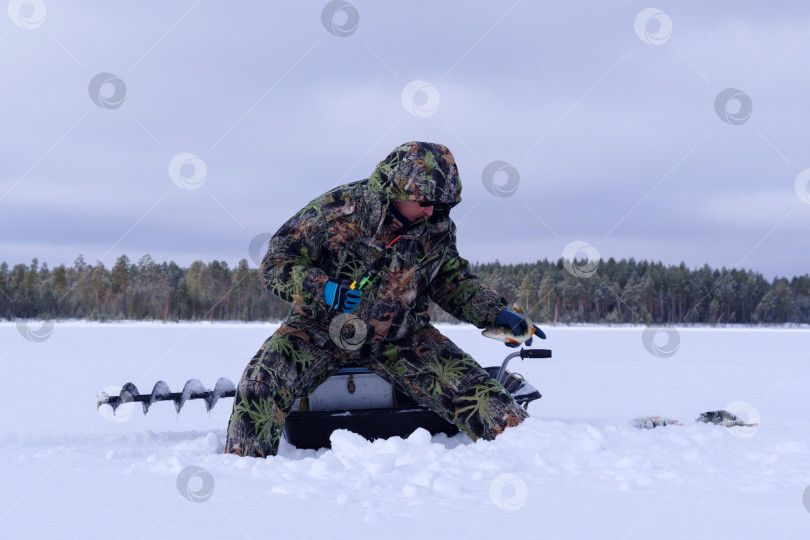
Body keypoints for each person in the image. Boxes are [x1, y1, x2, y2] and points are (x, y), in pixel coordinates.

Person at [225, 141, 543, 457]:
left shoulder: (437, 227)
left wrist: (497, 313)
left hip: (401, 337)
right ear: (399, 190)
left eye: (441, 202)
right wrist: (322, 288)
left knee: (491, 404)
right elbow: (277, 259)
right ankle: (247, 482)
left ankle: (534, 470)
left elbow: (452, 283)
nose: (432, 210)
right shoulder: (342, 207)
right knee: (258, 385)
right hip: (319, 329)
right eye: (426, 200)